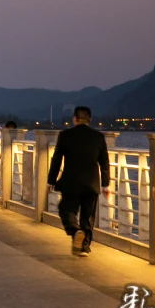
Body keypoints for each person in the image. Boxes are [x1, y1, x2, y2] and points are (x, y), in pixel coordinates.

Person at [47, 106, 111, 257]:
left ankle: (76, 231)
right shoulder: (98, 137)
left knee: (66, 210)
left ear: (74, 119)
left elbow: (56, 160)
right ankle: (84, 247)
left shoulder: (65, 135)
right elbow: (104, 162)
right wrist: (105, 184)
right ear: (89, 120)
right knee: (88, 215)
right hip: (91, 183)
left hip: (71, 182)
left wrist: (51, 181)